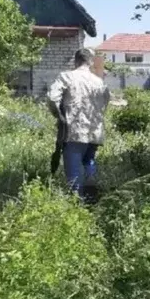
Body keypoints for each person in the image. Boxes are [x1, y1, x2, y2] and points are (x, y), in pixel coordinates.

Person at [47, 48, 110, 198]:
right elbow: (106, 101)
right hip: (95, 131)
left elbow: (52, 97)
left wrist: (59, 116)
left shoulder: (66, 77)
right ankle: (91, 197)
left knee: (73, 169)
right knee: (89, 162)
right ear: (90, 62)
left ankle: (77, 203)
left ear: (75, 61)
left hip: (74, 131)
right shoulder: (99, 81)